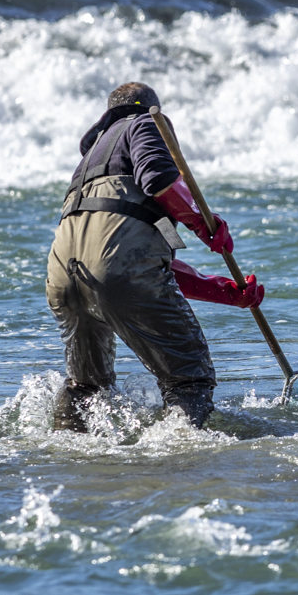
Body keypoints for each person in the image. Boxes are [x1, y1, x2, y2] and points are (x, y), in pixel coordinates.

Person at [45, 82, 263, 430]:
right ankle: (178, 455)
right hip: (112, 270)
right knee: (189, 377)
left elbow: (135, 261)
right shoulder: (143, 122)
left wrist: (221, 290)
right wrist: (201, 221)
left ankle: (66, 452)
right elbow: (159, 179)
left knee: (86, 388)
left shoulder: (89, 165)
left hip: (62, 280)